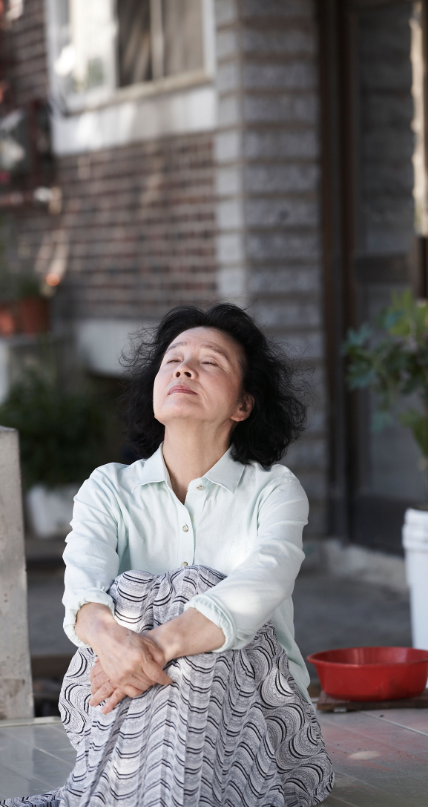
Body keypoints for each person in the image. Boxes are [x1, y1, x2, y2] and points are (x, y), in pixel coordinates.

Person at [4, 303, 333, 807]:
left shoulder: (274, 490)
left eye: (210, 362)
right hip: (122, 715)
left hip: (259, 731)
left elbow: (264, 581)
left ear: (243, 404)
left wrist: (153, 649)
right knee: (126, 597)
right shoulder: (107, 488)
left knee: (197, 591)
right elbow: (83, 593)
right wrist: (115, 643)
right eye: (173, 360)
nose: (184, 369)